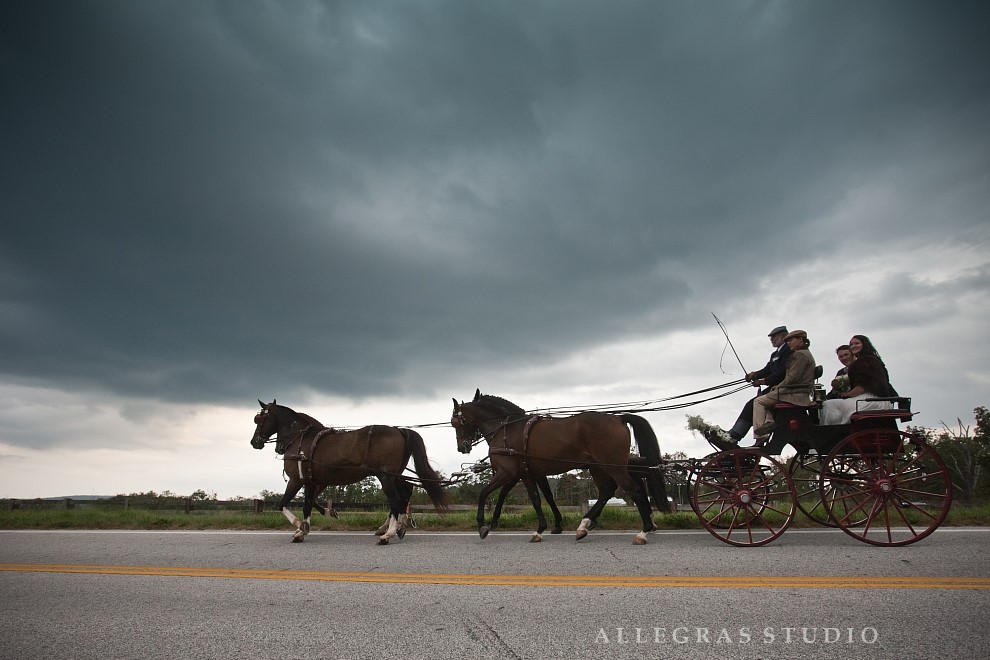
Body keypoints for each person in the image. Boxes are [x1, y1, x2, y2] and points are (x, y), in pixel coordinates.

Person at [702, 325, 791, 449]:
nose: (771, 339)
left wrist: (762, 381)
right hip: (774, 387)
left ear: (783, 336)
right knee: (750, 404)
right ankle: (734, 434)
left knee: (754, 403)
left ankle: (744, 435)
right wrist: (754, 375)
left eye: (774, 337)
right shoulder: (775, 354)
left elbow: (781, 373)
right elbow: (767, 370)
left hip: (782, 388)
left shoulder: (788, 351)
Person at [750, 329, 817, 444]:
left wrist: (778, 387)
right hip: (797, 391)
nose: (789, 343)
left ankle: (762, 434)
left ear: (800, 340)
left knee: (759, 401)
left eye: (791, 340)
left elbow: (792, 377)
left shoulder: (800, 355)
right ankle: (768, 423)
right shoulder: (805, 353)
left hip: (794, 394)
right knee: (764, 400)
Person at [820, 334, 895, 425]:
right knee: (829, 403)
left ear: (864, 344)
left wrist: (846, 395)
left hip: (871, 400)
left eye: (857, 343)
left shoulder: (866, 361)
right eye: (851, 344)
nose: (854, 346)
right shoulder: (868, 360)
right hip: (868, 399)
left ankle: (833, 433)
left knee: (828, 405)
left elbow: (862, 388)